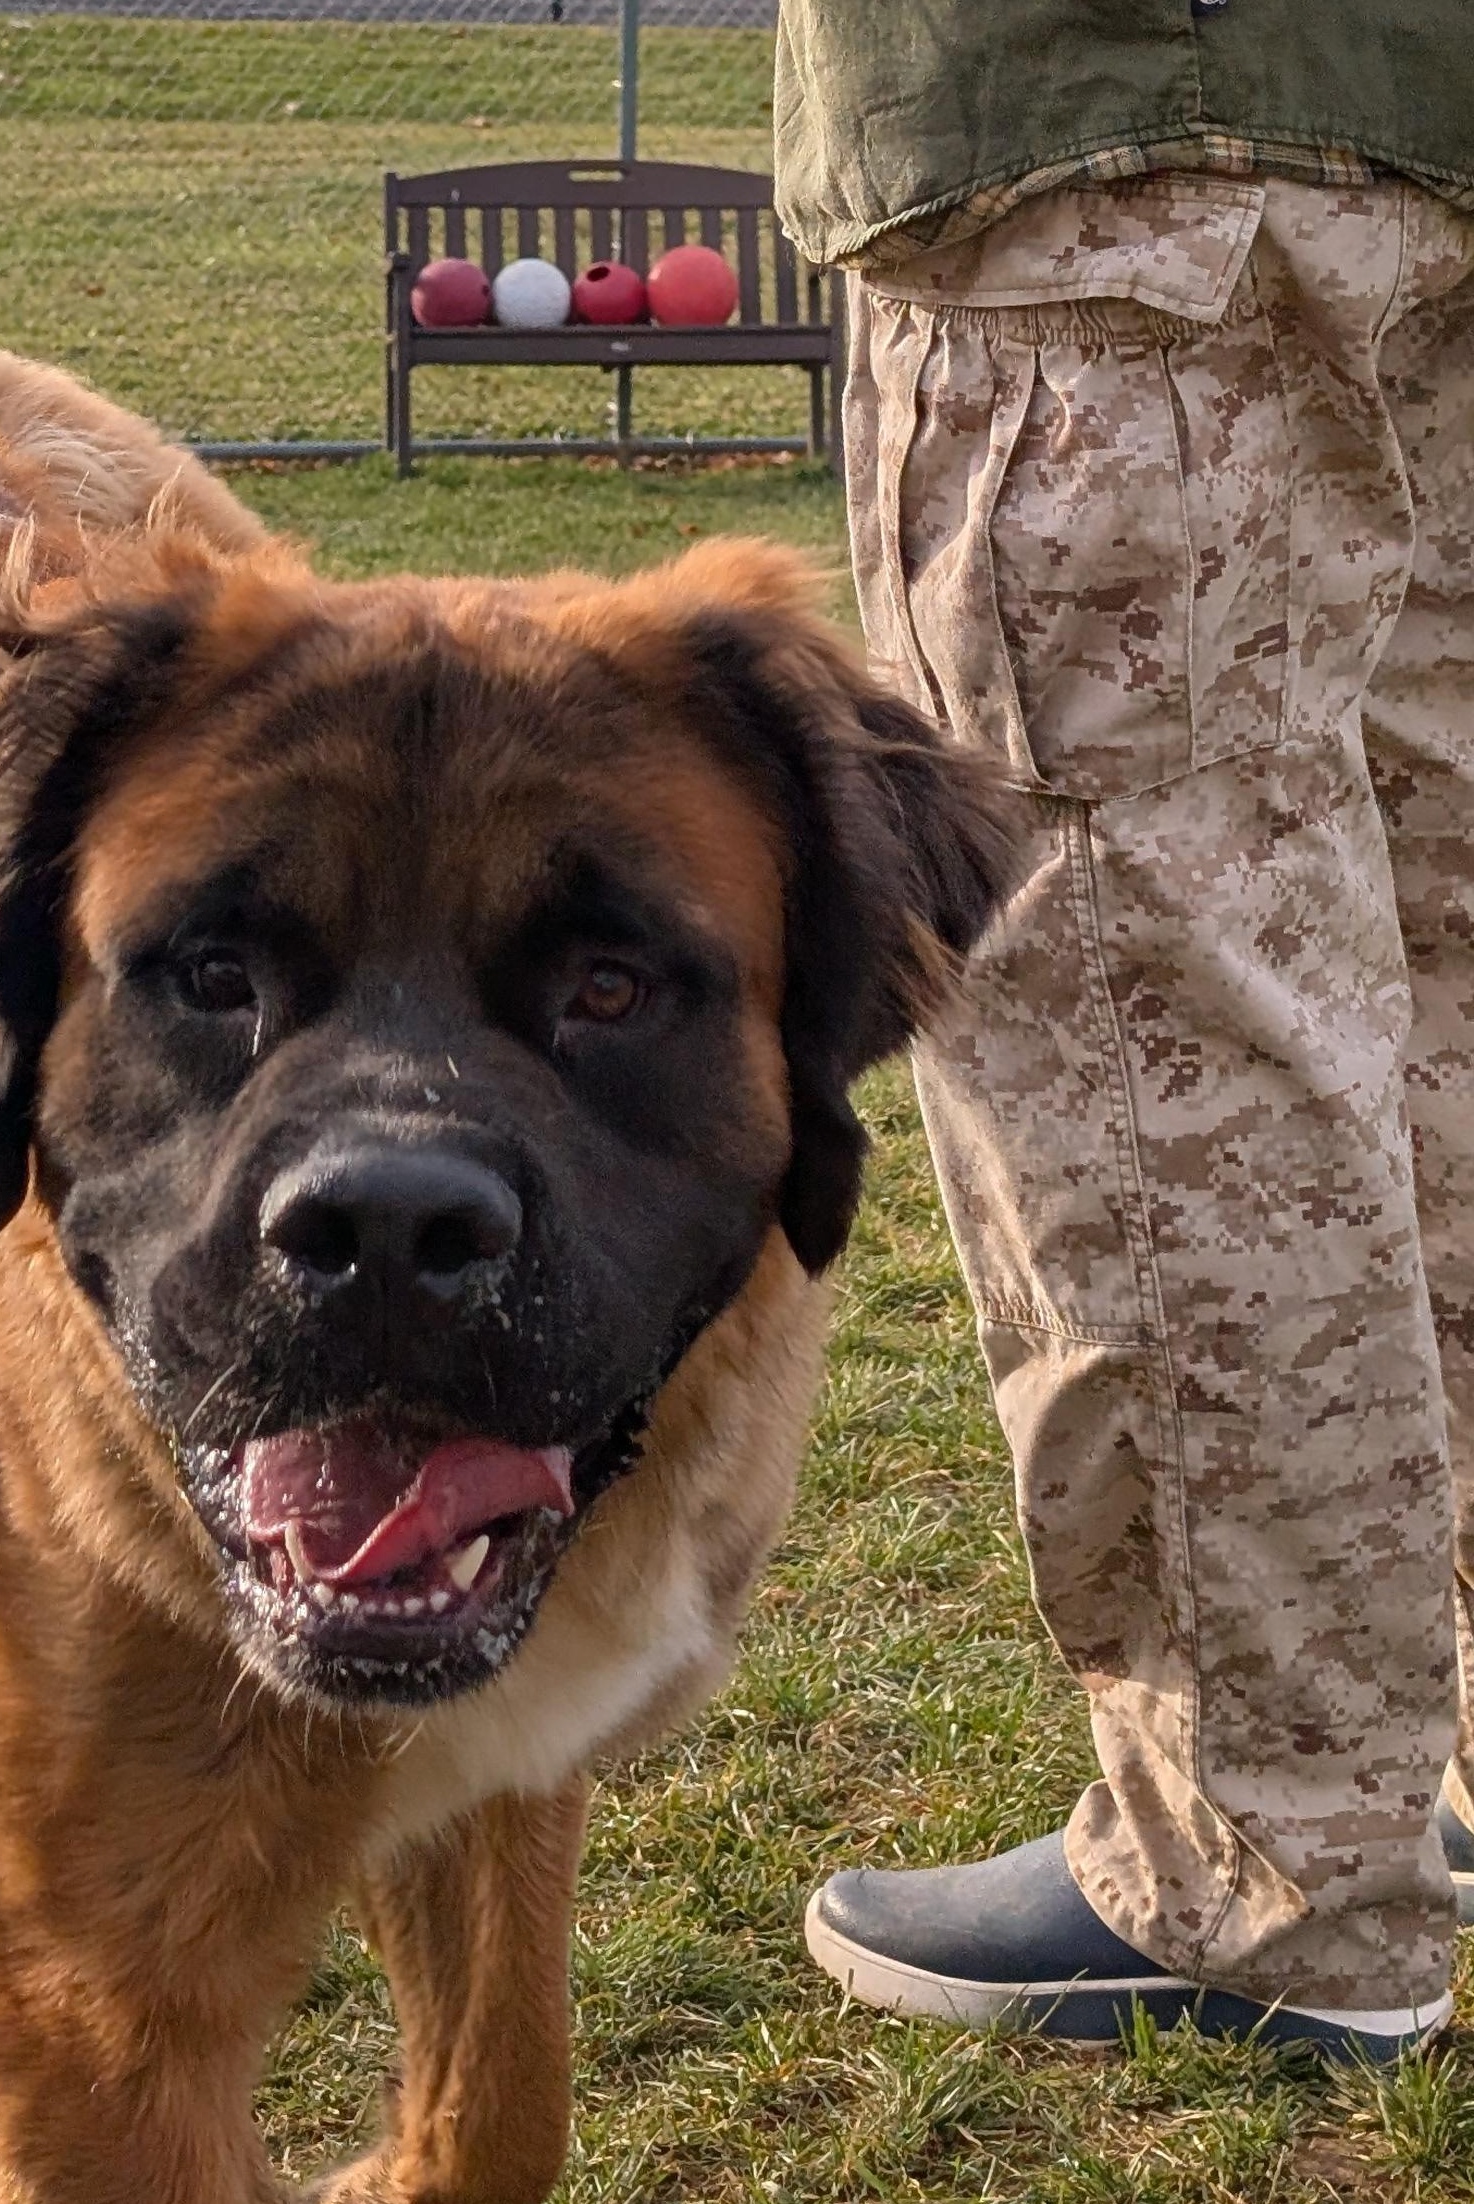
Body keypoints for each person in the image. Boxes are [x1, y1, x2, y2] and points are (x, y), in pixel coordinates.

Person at [773, 3, 1474, 2060]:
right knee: (1435, 976)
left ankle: (1262, 1873)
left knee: (1150, 1004)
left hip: (1115, 134)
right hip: (1414, 129)